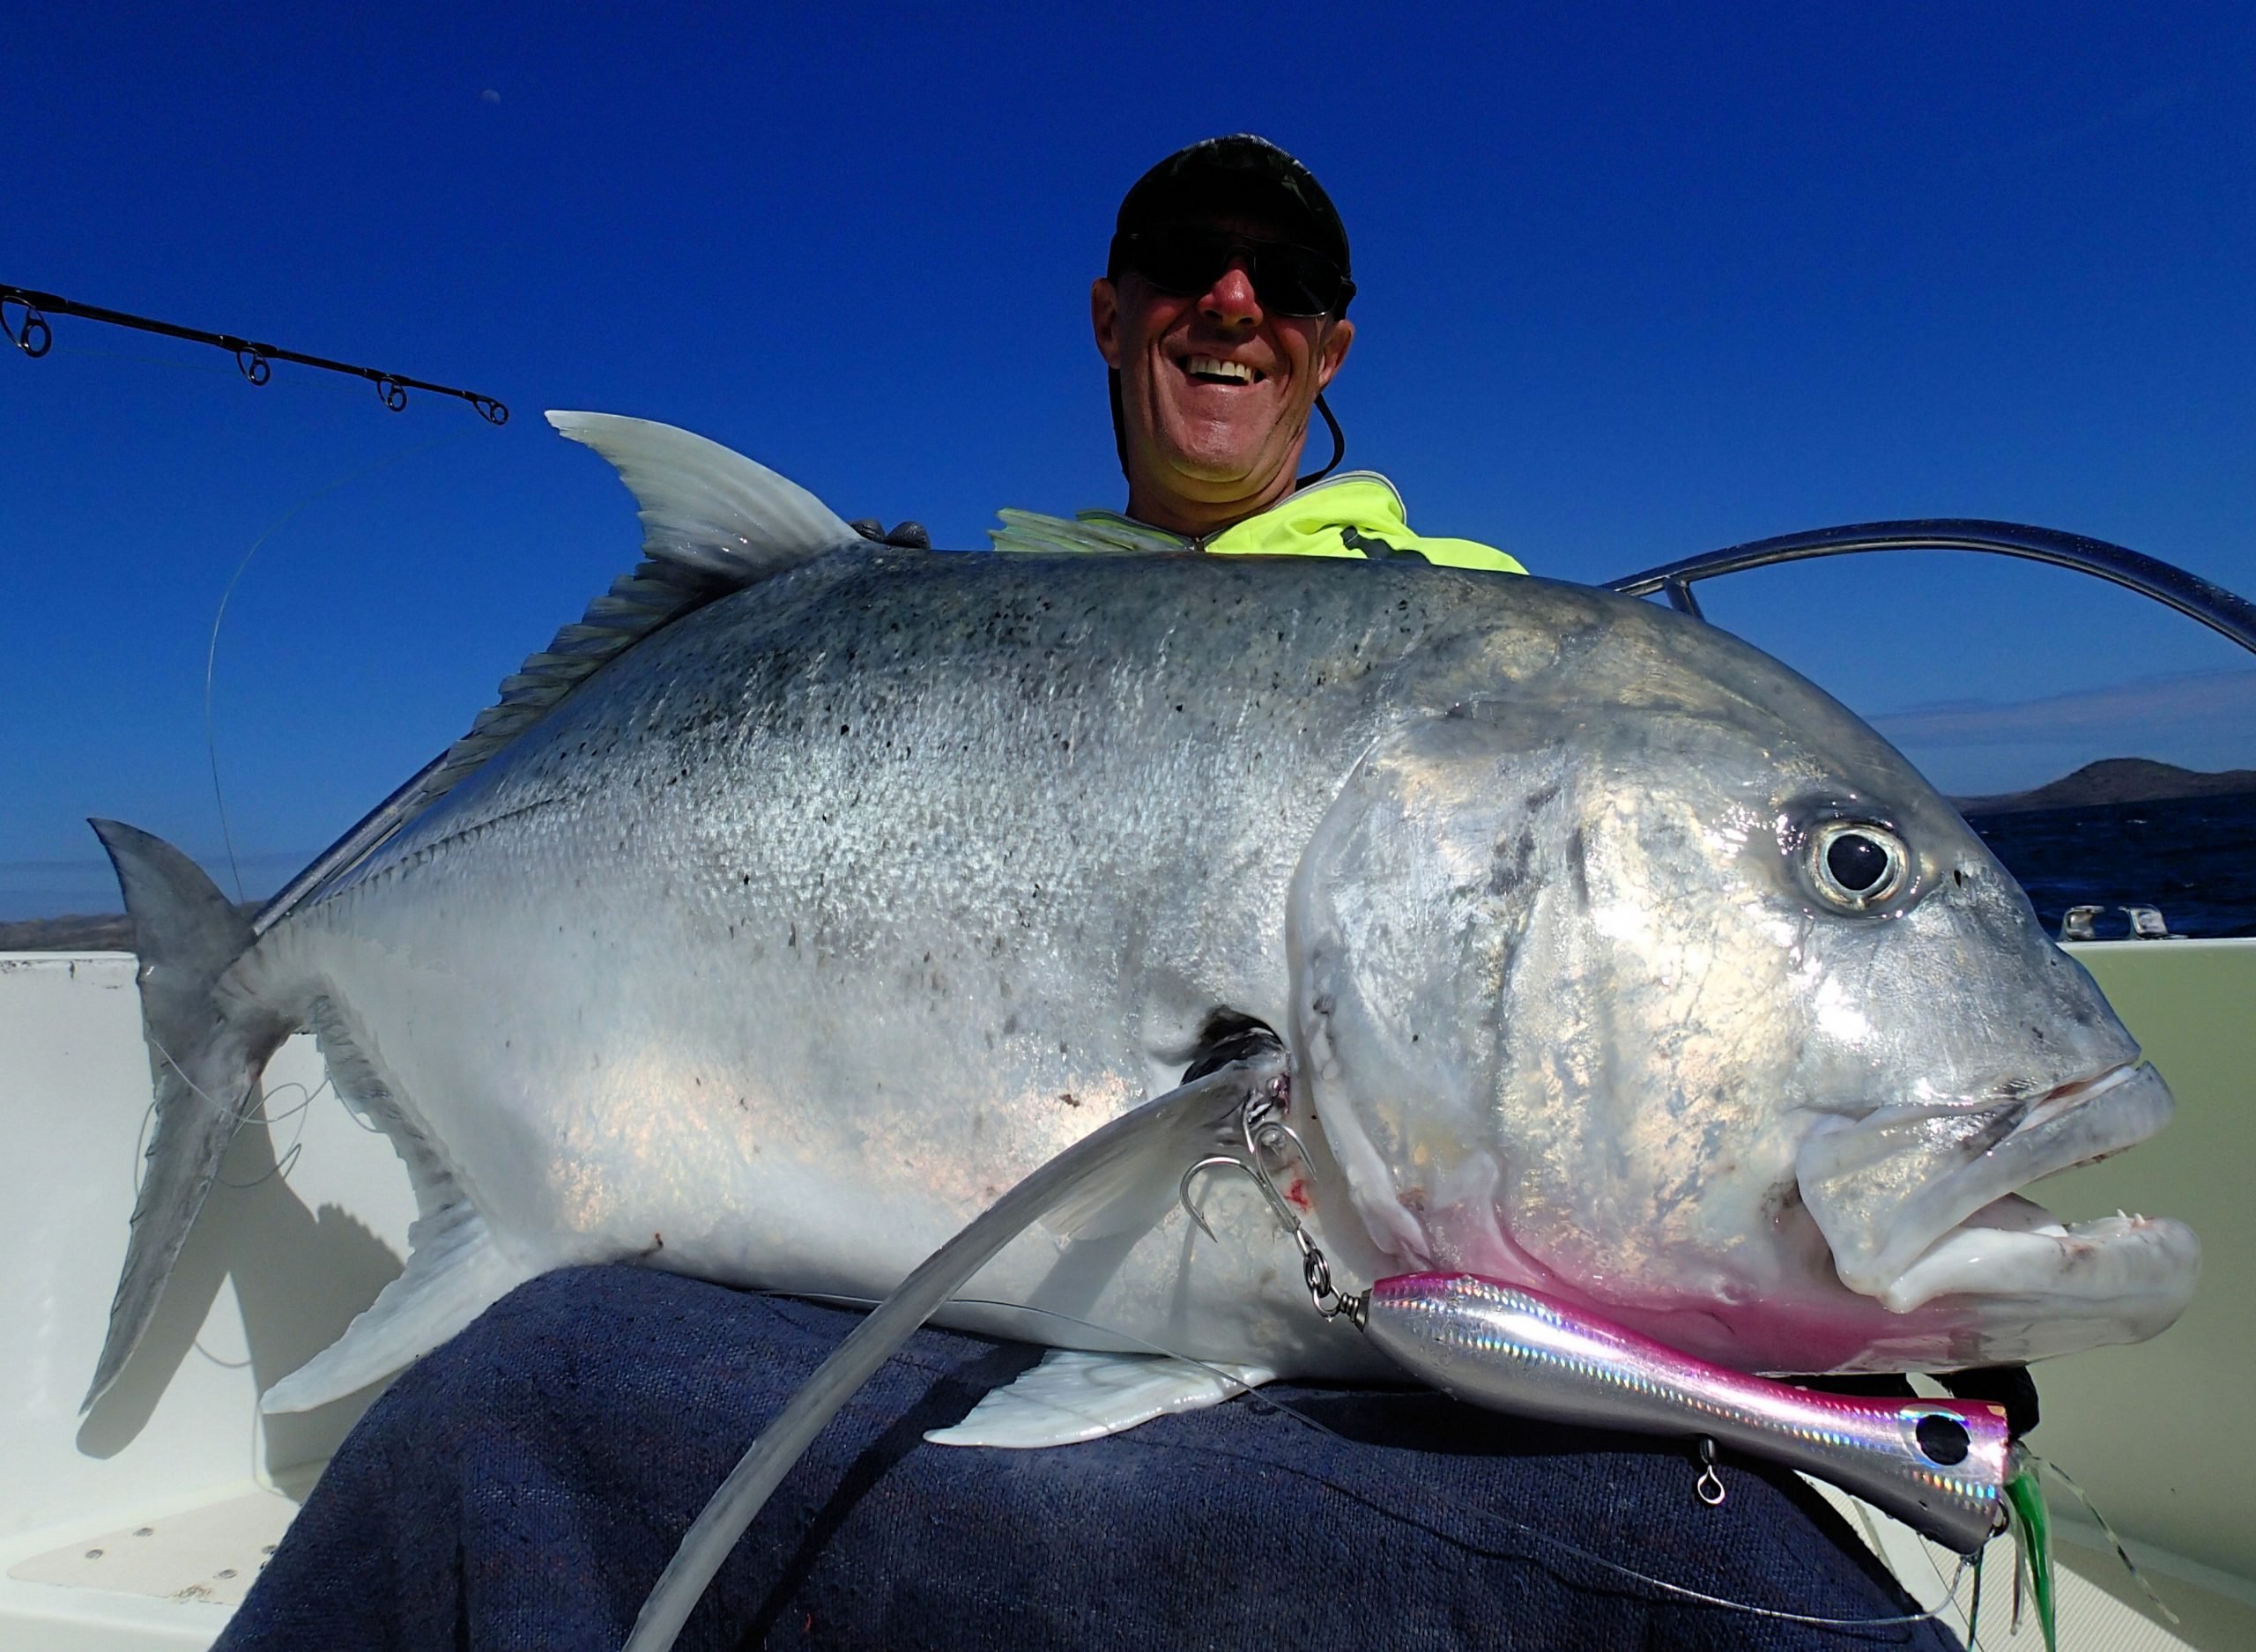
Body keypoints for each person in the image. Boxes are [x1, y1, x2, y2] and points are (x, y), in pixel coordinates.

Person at [991, 135, 1525, 573]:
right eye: (1183, 256)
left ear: (1328, 359)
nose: (1234, 301)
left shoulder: (1493, 601)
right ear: (1109, 322)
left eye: (1293, 279)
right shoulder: (994, 590)